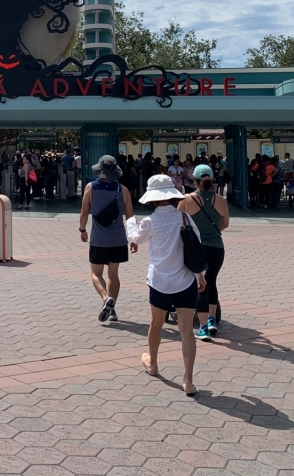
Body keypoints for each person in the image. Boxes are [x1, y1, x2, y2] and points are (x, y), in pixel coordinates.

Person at [126, 174, 206, 396]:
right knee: (187, 331)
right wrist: (201, 275)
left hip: (160, 282)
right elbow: (196, 245)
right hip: (185, 281)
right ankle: (188, 380)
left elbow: (136, 238)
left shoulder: (151, 221)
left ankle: (153, 363)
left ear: (152, 198)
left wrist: (130, 221)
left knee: (156, 324)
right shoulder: (185, 218)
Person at [78, 155, 136, 324]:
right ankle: (112, 309)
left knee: (96, 273)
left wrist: (82, 229)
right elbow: (130, 215)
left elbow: (84, 212)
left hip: (99, 238)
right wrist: (133, 237)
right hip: (118, 238)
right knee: (114, 275)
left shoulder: (91, 187)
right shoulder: (122, 189)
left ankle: (105, 299)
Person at [179, 164, 229, 341]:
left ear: (195, 180)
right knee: (211, 281)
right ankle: (212, 320)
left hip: (196, 247)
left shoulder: (187, 199)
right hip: (217, 247)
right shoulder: (221, 200)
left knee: (200, 284)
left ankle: (202, 328)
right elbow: (225, 224)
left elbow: (177, 221)